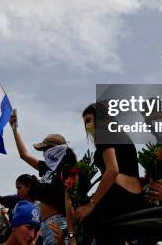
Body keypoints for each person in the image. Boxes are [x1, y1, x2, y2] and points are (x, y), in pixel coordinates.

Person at [74, 102, 147, 245]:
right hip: (136, 197)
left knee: (83, 221)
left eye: (88, 120)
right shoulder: (120, 133)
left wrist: (91, 204)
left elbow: (112, 170)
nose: (87, 126)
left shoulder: (103, 132)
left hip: (118, 196)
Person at [9, 110, 76, 245]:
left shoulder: (68, 170)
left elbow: (70, 204)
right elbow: (24, 155)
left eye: (45, 149)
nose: (44, 153)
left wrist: (71, 234)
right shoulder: (47, 168)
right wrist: (14, 129)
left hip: (59, 225)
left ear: (55, 149)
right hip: (45, 226)